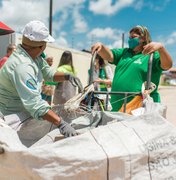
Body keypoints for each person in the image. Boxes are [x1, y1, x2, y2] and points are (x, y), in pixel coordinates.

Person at [0, 20, 78, 138]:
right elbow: (35, 104)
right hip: (9, 117)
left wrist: (67, 76)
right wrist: (61, 123)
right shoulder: (23, 66)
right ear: (42, 46)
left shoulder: (34, 57)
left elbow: (48, 73)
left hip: (22, 112)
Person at [91, 25, 173, 112]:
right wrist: (101, 47)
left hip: (140, 107)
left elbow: (167, 65)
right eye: (129, 37)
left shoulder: (152, 55)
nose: (130, 40)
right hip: (117, 104)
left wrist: (161, 48)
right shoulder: (124, 52)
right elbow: (110, 55)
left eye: (134, 37)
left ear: (144, 38)